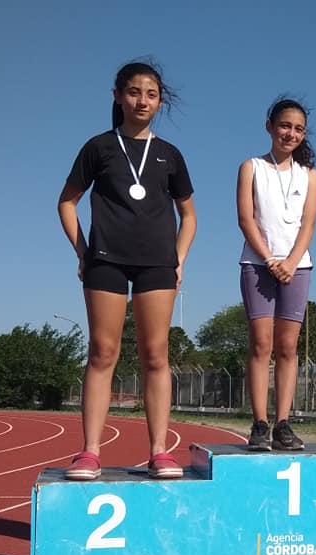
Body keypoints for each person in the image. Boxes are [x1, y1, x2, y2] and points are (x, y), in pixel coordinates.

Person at [57, 61, 196, 480]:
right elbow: (67, 202)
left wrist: (179, 259)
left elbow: (188, 215)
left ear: (159, 101)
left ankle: (159, 451)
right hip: (106, 260)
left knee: (156, 355)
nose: (142, 100)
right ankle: (90, 452)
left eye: (151, 94)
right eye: (134, 92)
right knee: (103, 353)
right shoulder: (98, 147)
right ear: (118, 96)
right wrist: (82, 251)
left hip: (157, 263)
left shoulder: (170, 155)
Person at [237, 98, 316, 451]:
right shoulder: (251, 167)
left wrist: (291, 260)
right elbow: (246, 218)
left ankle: (283, 423)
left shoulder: (310, 175)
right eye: (285, 126)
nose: (291, 133)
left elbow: (309, 223)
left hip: (297, 267)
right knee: (261, 344)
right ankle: (259, 423)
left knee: (287, 347)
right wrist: (271, 258)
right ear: (269, 125)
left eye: (298, 129)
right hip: (258, 265)